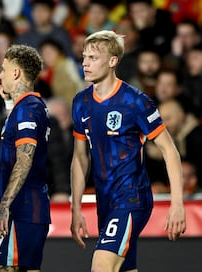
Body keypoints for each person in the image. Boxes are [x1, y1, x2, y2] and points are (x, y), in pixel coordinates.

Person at [70, 30, 186, 272]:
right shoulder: (81, 102)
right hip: (105, 201)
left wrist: (177, 204)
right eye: (84, 57)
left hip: (132, 198)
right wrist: (76, 208)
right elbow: (80, 158)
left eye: (92, 58)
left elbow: (169, 150)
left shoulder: (135, 102)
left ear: (113, 61)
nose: (85, 63)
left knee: (101, 266)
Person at [0, 44, 51, 271]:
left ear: (16, 73)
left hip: (23, 209)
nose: (0, 74)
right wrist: (7, 102)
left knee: (3, 268)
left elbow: (25, 159)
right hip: (29, 210)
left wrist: (5, 206)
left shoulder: (28, 109)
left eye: (4, 69)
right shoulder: (27, 108)